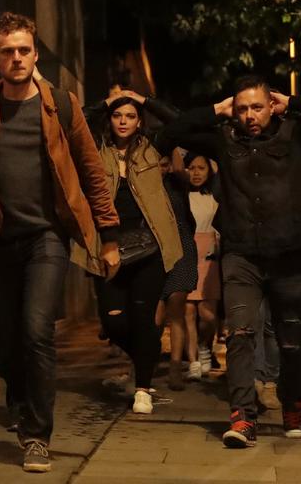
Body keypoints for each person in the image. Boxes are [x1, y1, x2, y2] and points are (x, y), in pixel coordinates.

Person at [0, 12, 120, 473]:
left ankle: (37, 435)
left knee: (37, 330)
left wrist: (109, 237)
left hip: (46, 238)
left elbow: (92, 173)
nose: (17, 58)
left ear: (35, 55)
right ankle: (19, 392)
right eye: (7, 51)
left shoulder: (62, 105)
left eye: (24, 50)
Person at [163, 75, 301, 447]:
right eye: (242, 108)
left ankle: (292, 405)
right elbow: (169, 135)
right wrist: (216, 109)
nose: (249, 115)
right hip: (241, 254)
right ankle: (242, 417)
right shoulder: (223, 140)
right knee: (240, 335)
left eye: (256, 106)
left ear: (271, 105)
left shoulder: (296, 134)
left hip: (290, 255)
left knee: (290, 341)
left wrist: (291, 101)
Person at [71, 90, 183, 414]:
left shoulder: (152, 148)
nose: (123, 121)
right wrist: (107, 101)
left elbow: (180, 121)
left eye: (130, 115)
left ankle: (143, 389)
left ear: (139, 122)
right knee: (114, 322)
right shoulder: (94, 150)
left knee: (144, 318)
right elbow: (73, 119)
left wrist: (143, 98)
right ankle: (145, 358)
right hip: (107, 247)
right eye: (118, 115)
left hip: (149, 245)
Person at [156, 149, 199, 391]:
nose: (162, 169)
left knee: (176, 307)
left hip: (182, 248)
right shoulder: (146, 187)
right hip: (157, 250)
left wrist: (172, 148)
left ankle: (175, 368)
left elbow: (181, 170)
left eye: (165, 164)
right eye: (157, 165)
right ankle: (143, 365)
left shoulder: (177, 182)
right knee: (156, 314)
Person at [184, 152, 222, 381]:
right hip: (188, 251)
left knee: (207, 315)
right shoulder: (181, 196)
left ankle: (204, 345)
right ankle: (193, 361)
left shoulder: (215, 197)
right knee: (188, 311)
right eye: (191, 167)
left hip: (209, 253)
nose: (196, 173)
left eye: (201, 168)